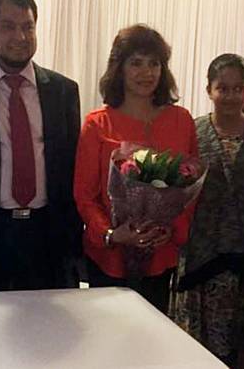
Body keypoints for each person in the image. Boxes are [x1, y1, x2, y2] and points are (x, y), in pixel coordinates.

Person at [0, 0, 81, 292]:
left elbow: (70, 169)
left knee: (50, 331)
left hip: (48, 236)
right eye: (8, 26)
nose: (21, 36)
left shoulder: (64, 91)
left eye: (28, 26)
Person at [74, 24, 198, 312]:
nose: (147, 72)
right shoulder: (97, 124)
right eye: (136, 63)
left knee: (152, 342)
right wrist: (111, 234)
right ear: (120, 67)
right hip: (109, 257)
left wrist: (171, 229)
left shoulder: (181, 120)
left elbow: (190, 189)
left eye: (154, 63)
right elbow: (84, 195)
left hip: (160, 254)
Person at [169, 54, 244, 367]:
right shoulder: (192, 132)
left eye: (238, 88)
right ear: (208, 89)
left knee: (237, 348)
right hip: (198, 255)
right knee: (192, 349)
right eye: (222, 88)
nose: (230, 96)